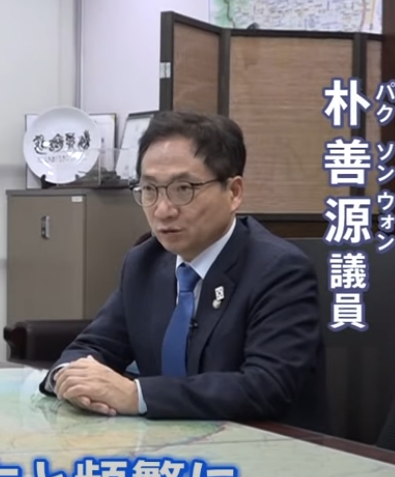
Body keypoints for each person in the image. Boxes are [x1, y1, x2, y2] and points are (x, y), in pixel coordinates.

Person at [39, 110, 327, 430]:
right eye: (150, 190)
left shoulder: (279, 270)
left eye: (183, 189)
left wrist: (137, 395)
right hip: (166, 446)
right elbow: (93, 347)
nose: (163, 210)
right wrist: (69, 378)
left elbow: (267, 386)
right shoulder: (144, 262)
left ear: (233, 193)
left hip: (263, 447)